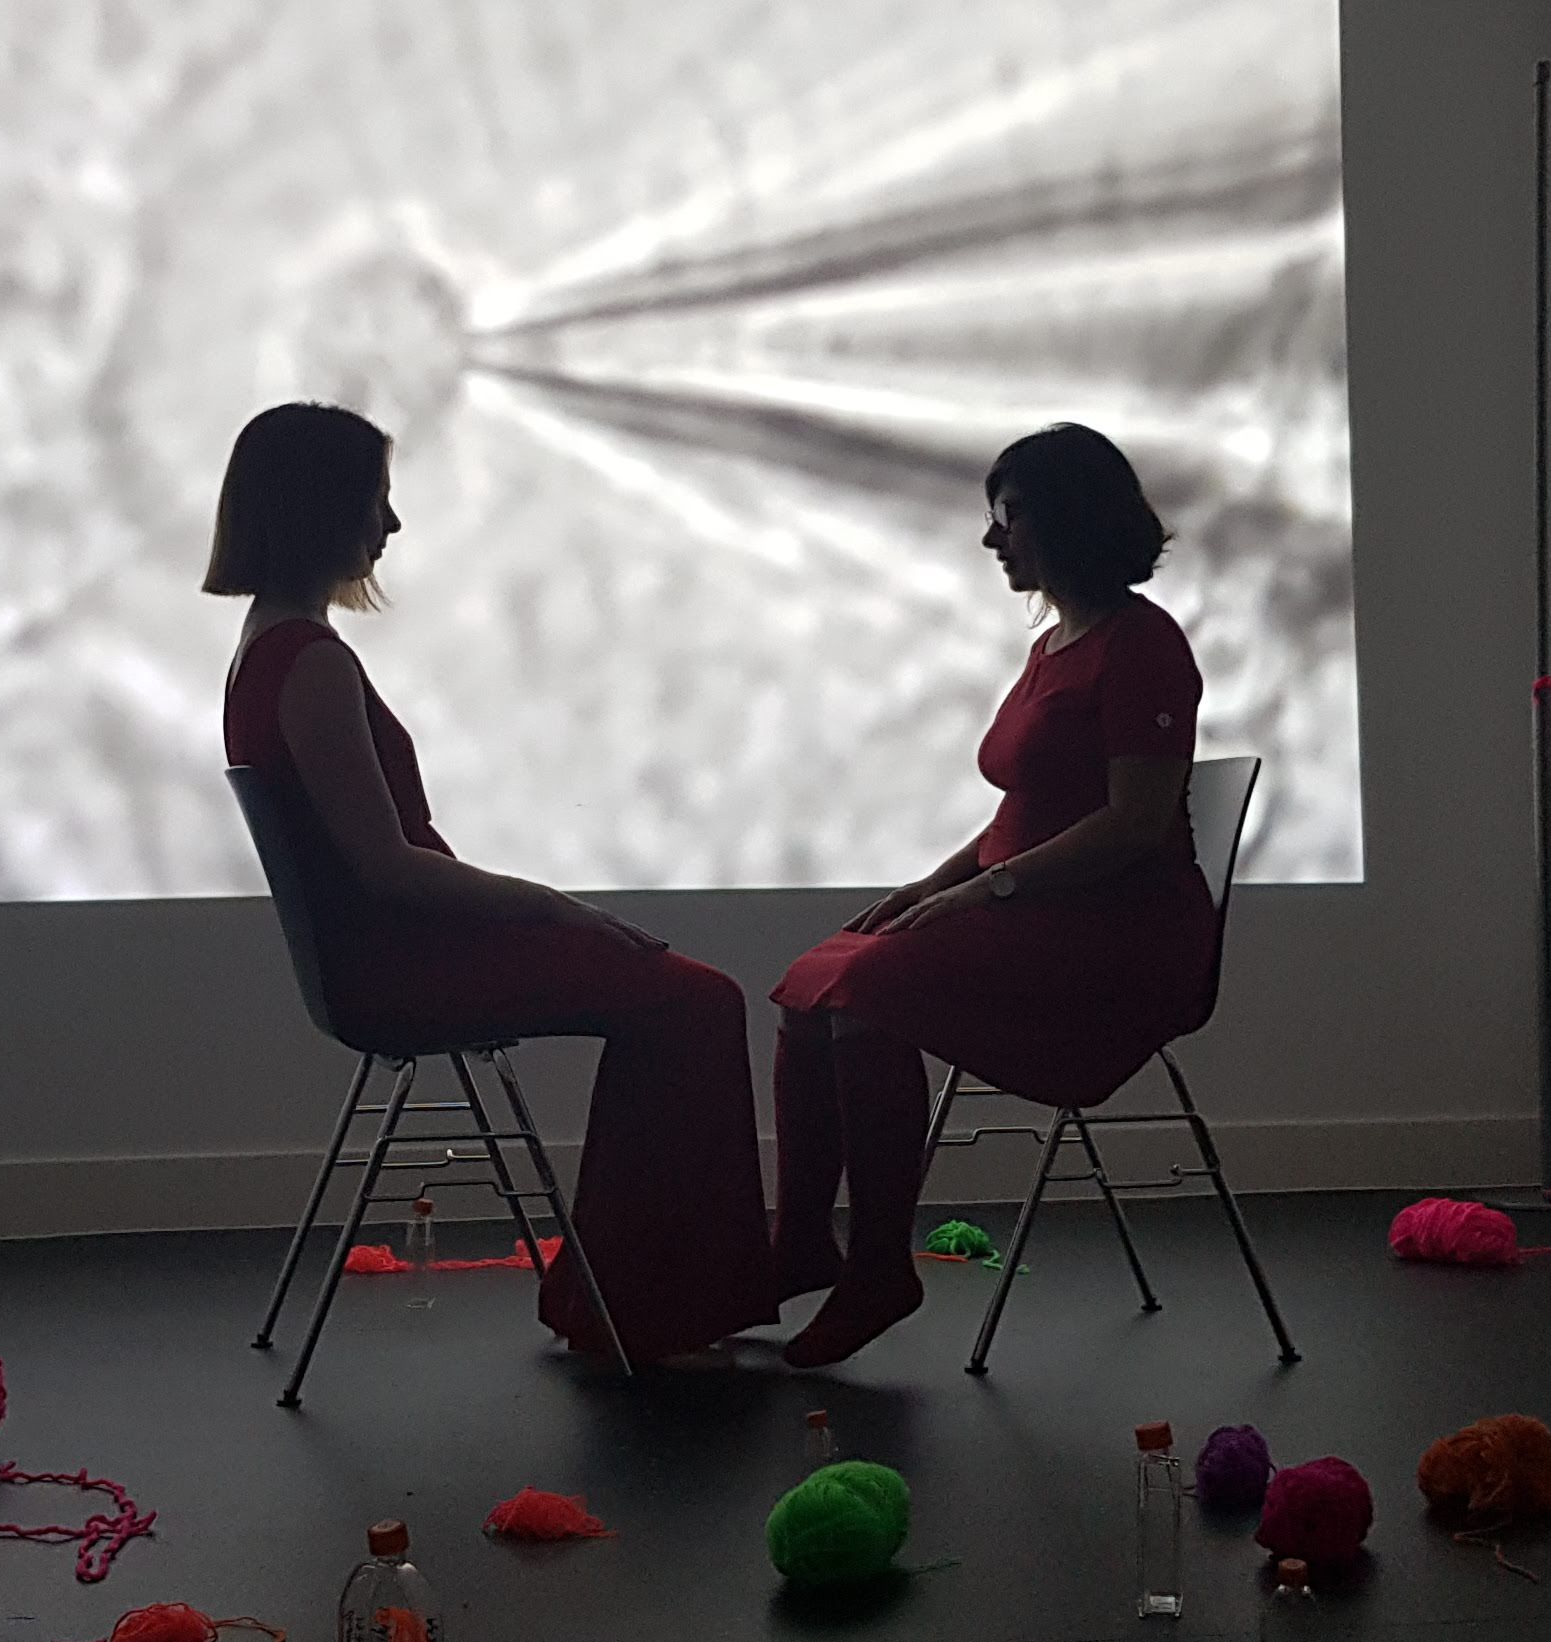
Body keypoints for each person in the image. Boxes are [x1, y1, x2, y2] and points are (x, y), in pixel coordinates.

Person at [209, 402, 778, 1362]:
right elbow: (389, 870)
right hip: (406, 970)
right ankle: (645, 1303)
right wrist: (558, 907)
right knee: (697, 1003)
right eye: (375, 503)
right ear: (320, 512)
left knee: (681, 1001)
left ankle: (634, 1293)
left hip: (391, 963)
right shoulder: (309, 666)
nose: (390, 527)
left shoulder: (264, 653)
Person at [769, 423, 1216, 1367]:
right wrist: (930, 887)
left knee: (870, 992)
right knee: (812, 981)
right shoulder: (1055, 644)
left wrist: (988, 895)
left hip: (1119, 939)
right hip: (1036, 909)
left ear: (1064, 520)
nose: (992, 540)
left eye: (1007, 518)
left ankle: (881, 1267)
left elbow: (1133, 824)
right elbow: (1025, 812)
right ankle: (803, 1241)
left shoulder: (1143, 646)